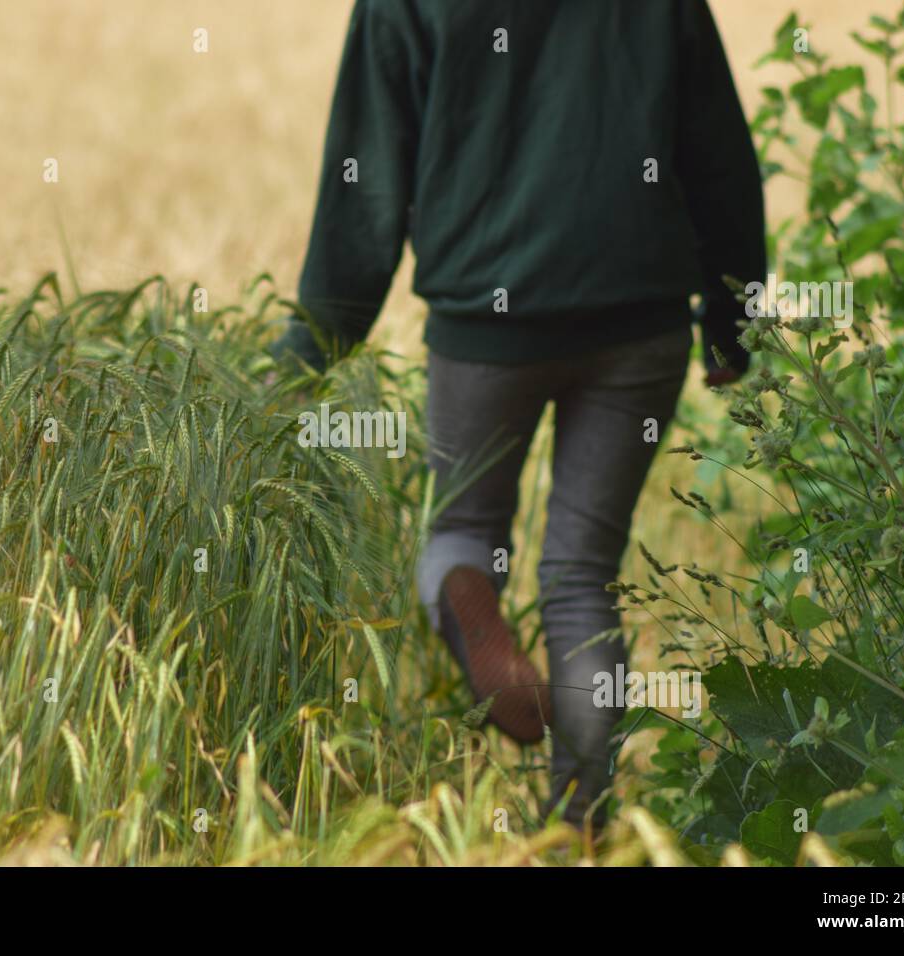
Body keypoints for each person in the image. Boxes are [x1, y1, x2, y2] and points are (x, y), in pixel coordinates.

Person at [271, 0, 765, 828]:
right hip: (635, 321)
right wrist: (729, 320)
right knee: (581, 580)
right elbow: (720, 155)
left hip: (484, 327)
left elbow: (366, 171)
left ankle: (467, 593)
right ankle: (582, 822)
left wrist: (312, 348)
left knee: (461, 531)